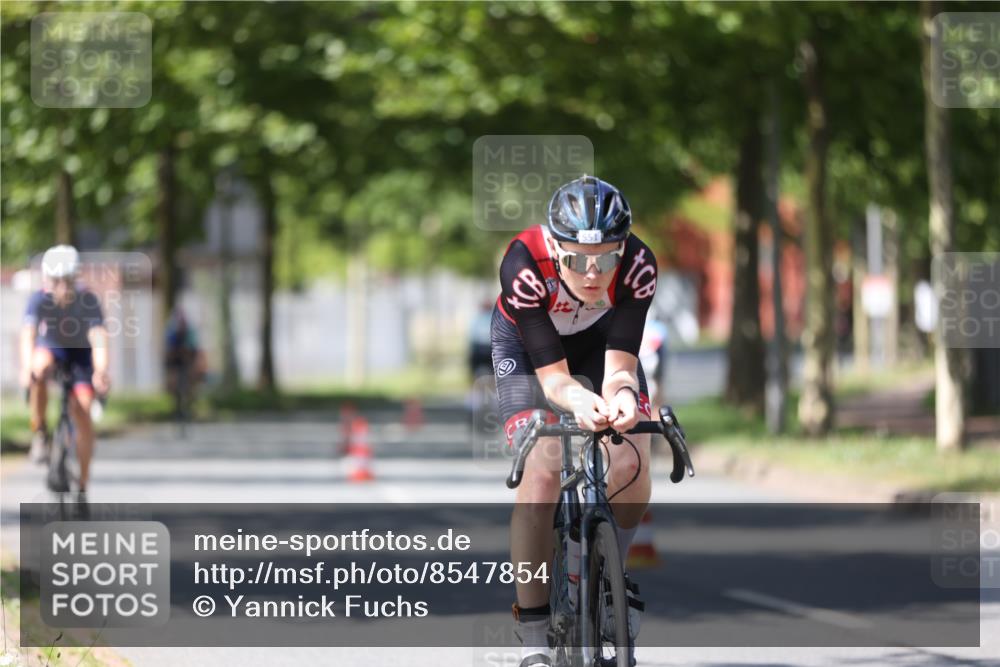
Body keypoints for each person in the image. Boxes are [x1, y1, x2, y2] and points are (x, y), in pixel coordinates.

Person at [491, 176, 656, 667]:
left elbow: (621, 368)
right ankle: (534, 633)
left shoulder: (639, 267)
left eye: (606, 259)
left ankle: (611, 573)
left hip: (598, 343)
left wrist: (621, 396)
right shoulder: (523, 264)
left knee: (630, 458)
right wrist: (579, 400)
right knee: (542, 470)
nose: (592, 273)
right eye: (578, 260)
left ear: (623, 250)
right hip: (529, 354)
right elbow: (556, 382)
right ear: (554, 247)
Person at [20, 245, 109, 501]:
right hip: (53, 350)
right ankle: (39, 431)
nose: (61, 288)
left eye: (66, 281)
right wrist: (27, 368)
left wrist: (101, 370)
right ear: (47, 280)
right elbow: (28, 335)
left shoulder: (88, 300)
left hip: (81, 357)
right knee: (38, 369)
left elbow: (98, 337)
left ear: (74, 279)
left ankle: (82, 486)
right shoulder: (39, 299)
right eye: (55, 281)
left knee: (83, 410)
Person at [164, 305, 206, 401]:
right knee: (176, 382)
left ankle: (189, 400)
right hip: (176, 360)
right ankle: (178, 401)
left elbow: (193, 346)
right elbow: (169, 347)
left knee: (189, 381)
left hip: (188, 358)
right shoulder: (171, 330)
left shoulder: (190, 330)